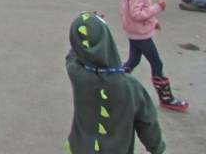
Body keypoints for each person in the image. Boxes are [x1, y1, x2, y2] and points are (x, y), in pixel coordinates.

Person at [65, 11, 166, 154]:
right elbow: (147, 123)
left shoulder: (78, 75)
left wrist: (83, 24)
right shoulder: (131, 87)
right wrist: (158, 149)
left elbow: (73, 55)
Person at [119, 0, 189, 111]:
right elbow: (137, 14)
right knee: (157, 63)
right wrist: (157, 8)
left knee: (133, 60)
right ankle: (166, 98)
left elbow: (139, 13)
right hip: (141, 35)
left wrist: (153, 21)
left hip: (134, 32)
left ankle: (115, 82)